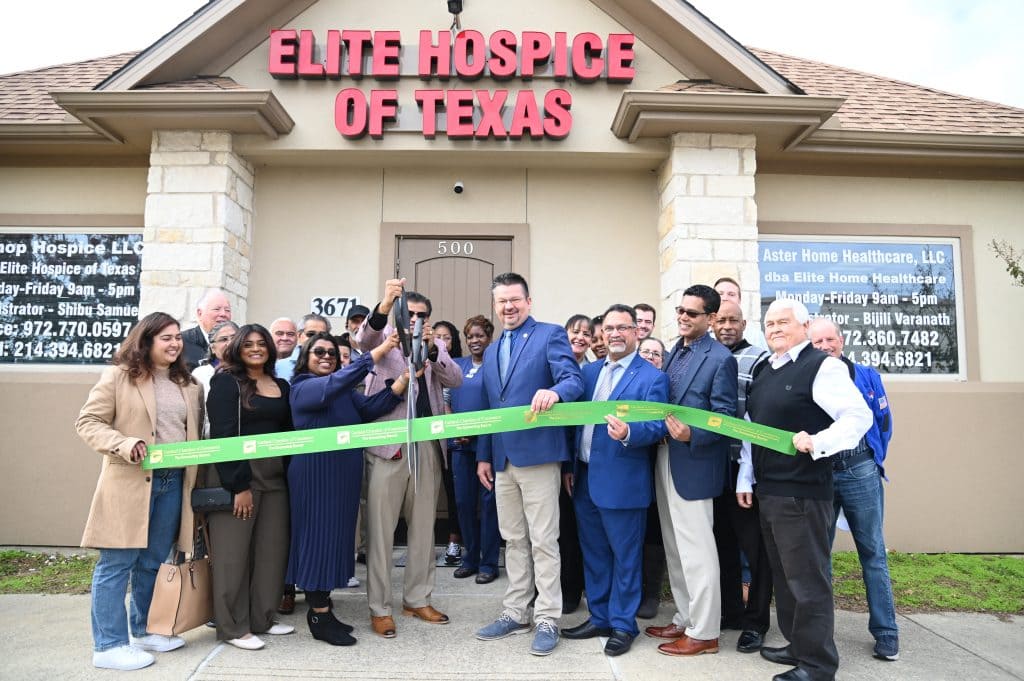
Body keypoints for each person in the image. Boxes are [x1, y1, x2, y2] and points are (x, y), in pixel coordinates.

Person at [739, 299, 871, 681]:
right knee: (785, 577)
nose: (775, 328)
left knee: (808, 580)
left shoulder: (822, 366)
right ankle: (799, 647)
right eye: (769, 323)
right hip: (770, 490)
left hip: (803, 492)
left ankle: (817, 665)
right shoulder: (766, 369)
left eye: (783, 322)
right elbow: (753, 429)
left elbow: (858, 415)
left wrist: (819, 441)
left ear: (804, 325)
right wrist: (745, 478)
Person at [76, 312, 204, 670]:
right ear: (145, 340)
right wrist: (122, 442)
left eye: (178, 337)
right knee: (116, 564)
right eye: (166, 337)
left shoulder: (190, 384)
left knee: (151, 562)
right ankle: (109, 645)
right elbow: (88, 422)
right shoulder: (119, 377)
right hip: (130, 481)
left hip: (172, 481)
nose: (175, 343)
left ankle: (144, 630)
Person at [475, 272, 584, 657]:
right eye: (502, 301)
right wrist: (485, 456)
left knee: (543, 540)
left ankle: (548, 617)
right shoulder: (490, 350)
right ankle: (515, 611)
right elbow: (492, 408)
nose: (508, 307)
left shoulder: (550, 335)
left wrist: (554, 392)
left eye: (515, 300)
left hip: (539, 455)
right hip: (502, 459)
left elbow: (573, 380)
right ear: (495, 304)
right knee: (514, 539)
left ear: (528, 302)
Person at [355, 279, 462, 638]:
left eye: (422, 315)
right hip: (387, 447)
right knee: (381, 532)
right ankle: (379, 607)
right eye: (411, 314)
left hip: (426, 446)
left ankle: (417, 598)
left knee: (422, 530)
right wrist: (386, 304)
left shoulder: (436, 343)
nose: (416, 319)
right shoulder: (383, 338)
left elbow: (455, 378)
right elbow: (362, 343)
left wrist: (432, 349)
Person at [287, 331, 410, 646]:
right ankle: (317, 614)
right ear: (305, 357)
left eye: (332, 352)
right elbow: (333, 384)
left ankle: (325, 610)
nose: (326, 356)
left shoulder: (342, 392)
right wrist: (380, 350)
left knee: (336, 540)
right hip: (316, 477)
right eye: (319, 352)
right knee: (317, 540)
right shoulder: (303, 387)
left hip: (343, 478)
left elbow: (369, 410)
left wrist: (402, 382)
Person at [561, 305, 670, 657]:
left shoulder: (652, 377)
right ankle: (600, 616)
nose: (615, 334)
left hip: (623, 481)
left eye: (623, 328)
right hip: (585, 476)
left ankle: (623, 624)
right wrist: (568, 466)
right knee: (594, 554)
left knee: (625, 557)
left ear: (636, 332)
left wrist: (629, 433)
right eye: (609, 328)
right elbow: (576, 422)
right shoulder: (589, 372)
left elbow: (657, 426)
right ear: (601, 334)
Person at [646, 284, 738, 658]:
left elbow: (726, 416)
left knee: (698, 551)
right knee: (675, 546)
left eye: (692, 313)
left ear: (711, 318)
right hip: (665, 458)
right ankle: (685, 618)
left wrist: (692, 434)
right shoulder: (674, 353)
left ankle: (705, 632)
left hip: (695, 461)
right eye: (681, 311)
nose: (683, 317)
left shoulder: (720, 359)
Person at [808, 317, 899, 662]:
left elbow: (883, 423)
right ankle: (820, 633)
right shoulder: (808, 378)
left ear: (841, 341)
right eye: (817, 341)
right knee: (820, 556)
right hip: (822, 473)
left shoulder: (867, 376)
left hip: (860, 470)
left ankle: (886, 632)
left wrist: (873, 459)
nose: (825, 346)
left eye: (830, 339)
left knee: (873, 552)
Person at [205, 324, 296, 651]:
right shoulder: (226, 382)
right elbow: (224, 435)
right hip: (237, 477)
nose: (256, 349)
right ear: (238, 348)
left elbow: (288, 435)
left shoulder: (281, 385)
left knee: (271, 553)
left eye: (262, 344)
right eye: (249, 344)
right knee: (233, 555)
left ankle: (262, 618)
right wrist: (238, 486)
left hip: (275, 479)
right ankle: (232, 627)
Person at [712, 300, 773, 653]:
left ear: (744, 323)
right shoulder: (707, 356)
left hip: (744, 467)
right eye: (721, 320)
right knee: (721, 545)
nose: (727, 326)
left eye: (733, 320)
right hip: (711, 466)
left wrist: (747, 474)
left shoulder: (759, 359)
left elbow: (757, 415)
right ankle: (730, 611)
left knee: (755, 549)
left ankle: (756, 621)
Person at [449, 315, 501, 584]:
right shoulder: (458, 365)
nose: (474, 341)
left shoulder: (496, 366)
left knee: (489, 504)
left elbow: (497, 404)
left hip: (486, 446)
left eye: (480, 335)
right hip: (459, 445)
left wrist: (478, 433)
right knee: (464, 503)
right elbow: (447, 400)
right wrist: (454, 429)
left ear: (489, 337)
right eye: (470, 336)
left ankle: (489, 563)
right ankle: (470, 558)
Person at [432, 319, 465, 566]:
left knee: (457, 494)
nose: (442, 341)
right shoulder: (426, 364)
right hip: (434, 438)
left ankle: (457, 540)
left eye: (447, 337)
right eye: (438, 336)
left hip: (459, 439)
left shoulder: (460, 367)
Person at [191, 320, 239, 437]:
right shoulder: (200, 374)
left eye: (234, 338)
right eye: (223, 339)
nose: (230, 343)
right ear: (213, 348)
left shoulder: (253, 372)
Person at [182, 288, 232, 370]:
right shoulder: (182, 342)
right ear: (200, 313)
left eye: (227, 310)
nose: (223, 314)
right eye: (217, 309)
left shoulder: (237, 343)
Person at [714, 277, 768, 350]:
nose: (725, 298)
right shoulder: (702, 332)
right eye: (720, 294)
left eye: (731, 294)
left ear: (739, 300)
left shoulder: (755, 335)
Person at [277, 313, 331, 382]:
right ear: (299, 336)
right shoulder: (278, 367)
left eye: (322, 335)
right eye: (311, 334)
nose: (316, 339)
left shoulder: (334, 366)